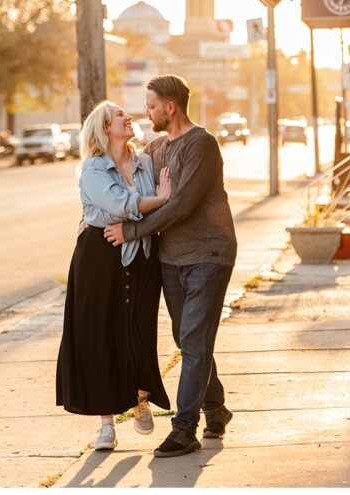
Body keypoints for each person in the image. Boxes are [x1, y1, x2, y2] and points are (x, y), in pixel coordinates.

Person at [104, 75, 237, 458]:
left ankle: (184, 428)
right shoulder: (154, 147)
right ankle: (216, 410)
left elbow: (181, 204)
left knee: (194, 340)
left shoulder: (202, 144)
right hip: (170, 257)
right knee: (187, 340)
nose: (146, 113)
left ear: (170, 107)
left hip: (209, 254)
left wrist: (131, 231)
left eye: (150, 106)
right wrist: (94, 215)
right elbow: (131, 190)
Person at [56, 100, 172, 452]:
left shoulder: (146, 163)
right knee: (101, 334)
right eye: (119, 114)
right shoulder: (93, 169)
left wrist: (149, 205)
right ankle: (106, 425)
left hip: (142, 255)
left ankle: (140, 396)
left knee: (138, 327)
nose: (128, 116)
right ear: (106, 128)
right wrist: (160, 198)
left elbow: (136, 211)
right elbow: (124, 207)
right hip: (99, 256)